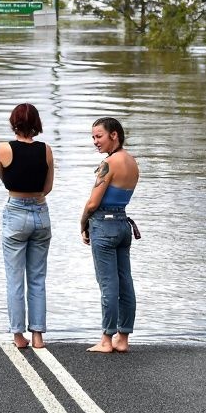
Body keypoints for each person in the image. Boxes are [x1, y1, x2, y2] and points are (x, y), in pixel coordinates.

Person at [0, 103, 55, 349]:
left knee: (15, 278)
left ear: (14, 122)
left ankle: (19, 335)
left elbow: (3, 179)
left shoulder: (4, 149)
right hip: (41, 213)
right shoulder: (46, 150)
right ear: (37, 124)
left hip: (16, 211)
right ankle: (38, 335)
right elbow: (48, 188)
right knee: (38, 277)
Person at [79, 117, 140, 354]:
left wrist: (82, 222)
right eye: (93, 137)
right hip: (123, 224)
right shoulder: (133, 162)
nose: (95, 141)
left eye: (99, 136)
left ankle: (106, 340)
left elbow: (94, 201)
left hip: (103, 226)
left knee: (108, 285)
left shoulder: (109, 164)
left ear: (114, 135)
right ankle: (122, 338)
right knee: (125, 283)